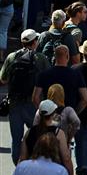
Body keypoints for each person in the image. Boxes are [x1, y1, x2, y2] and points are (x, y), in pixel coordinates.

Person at [0, 29, 50, 163]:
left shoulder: (12, 57)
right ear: (35, 42)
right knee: (37, 135)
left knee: (16, 139)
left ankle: (18, 165)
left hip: (15, 103)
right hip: (34, 102)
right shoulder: (41, 58)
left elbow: (3, 79)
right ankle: (34, 163)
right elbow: (48, 79)